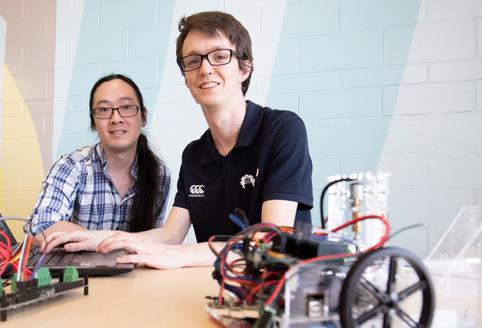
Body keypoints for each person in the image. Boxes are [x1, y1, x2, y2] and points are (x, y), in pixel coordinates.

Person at [41, 11, 313, 269]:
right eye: (193, 61)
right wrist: (101, 239)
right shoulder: (194, 154)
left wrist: (180, 256)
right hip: (214, 292)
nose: (205, 69)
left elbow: (269, 240)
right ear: (186, 79)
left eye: (219, 56)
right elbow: (171, 235)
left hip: (277, 292)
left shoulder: (283, 129)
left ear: (245, 69)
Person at [29, 74, 171, 241]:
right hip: (77, 266)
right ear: (93, 123)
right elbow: (41, 226)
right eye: (104, 110)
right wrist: (104, 241)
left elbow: (155, 240)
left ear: (143, 117)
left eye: (126, 107)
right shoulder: (71, 166)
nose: (116, 119)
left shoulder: (159, 175)